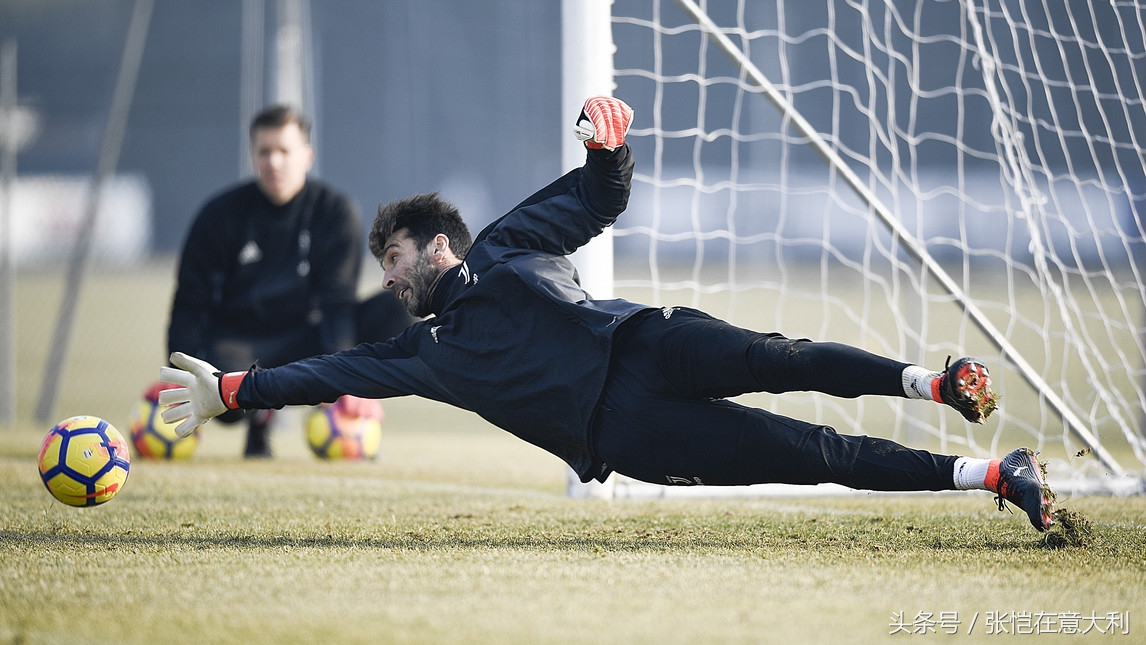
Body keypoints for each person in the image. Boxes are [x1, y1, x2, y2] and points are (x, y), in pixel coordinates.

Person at [159, 96, 1056, 531]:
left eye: (392, 263)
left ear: (437, 246)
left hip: (648, 344)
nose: (389, 283)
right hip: (631, 439)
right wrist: (234, 390)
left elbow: (595, 199)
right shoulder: (426, 354)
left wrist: (611, 148)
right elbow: (329, 372)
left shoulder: (506, 242)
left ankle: (932, 380)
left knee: (787, 355)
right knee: (813, 454)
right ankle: (992, 474)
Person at [166, 105, 413, 458]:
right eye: (264, 152)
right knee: (221, 390)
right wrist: (175, 379)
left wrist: (350, 382)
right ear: (252, 156)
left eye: (284, 151)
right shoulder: (219, 215)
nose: (274, 162)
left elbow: (337, 306)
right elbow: (189, 304)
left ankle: (351, 418)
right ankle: (258, 419)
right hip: (244, 342)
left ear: (307, 156)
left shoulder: (335, 211)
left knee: (397, 309)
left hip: (310, 338)